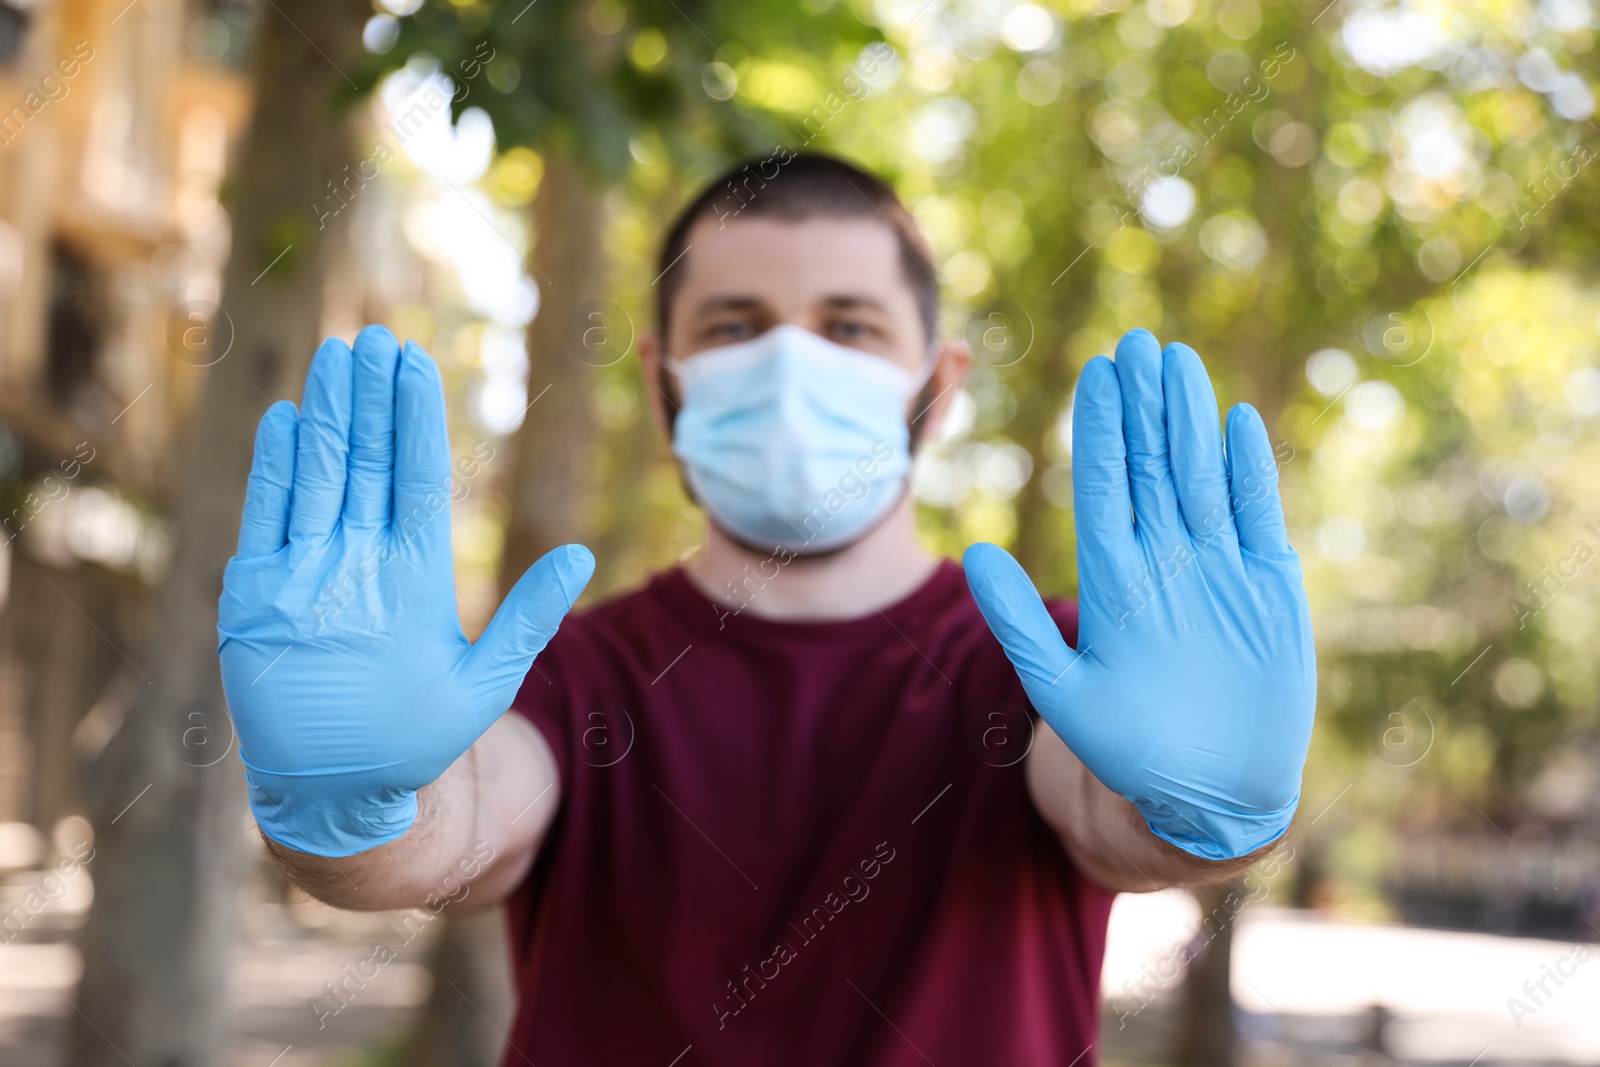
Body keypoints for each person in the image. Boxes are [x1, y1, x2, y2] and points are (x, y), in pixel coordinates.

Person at [218, 152, 1316, 1064]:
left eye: (847, 327)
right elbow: (448, 837)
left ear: (935, 385)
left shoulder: (1063, 670)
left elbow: (1111, 821)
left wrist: (1204, 808)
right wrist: (356, 811)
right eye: (736, 325)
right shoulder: (570, 670)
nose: (791, 364)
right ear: (662, 379)